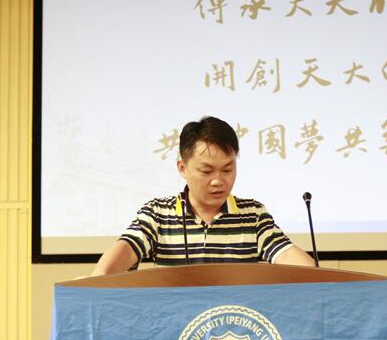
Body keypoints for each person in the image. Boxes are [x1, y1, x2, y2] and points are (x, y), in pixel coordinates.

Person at [92, 116, 316, 275]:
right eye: (207, 171)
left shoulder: (252, 214)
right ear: (182, 168)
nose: (218, 180)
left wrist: (320, 281)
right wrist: (98, 279)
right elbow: (124, 251)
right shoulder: (158, 213)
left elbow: (287, 256)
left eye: (227, 170)